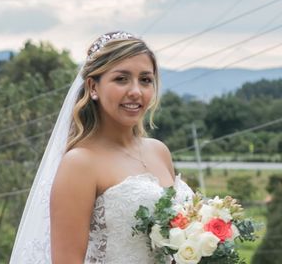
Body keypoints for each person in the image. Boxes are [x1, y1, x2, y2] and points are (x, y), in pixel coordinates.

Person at [10, 31, 193, 264]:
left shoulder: (159, 151)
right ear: (93, 87)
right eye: (121, 79)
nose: (136, 91)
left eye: (145, 80)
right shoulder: (80, 163)